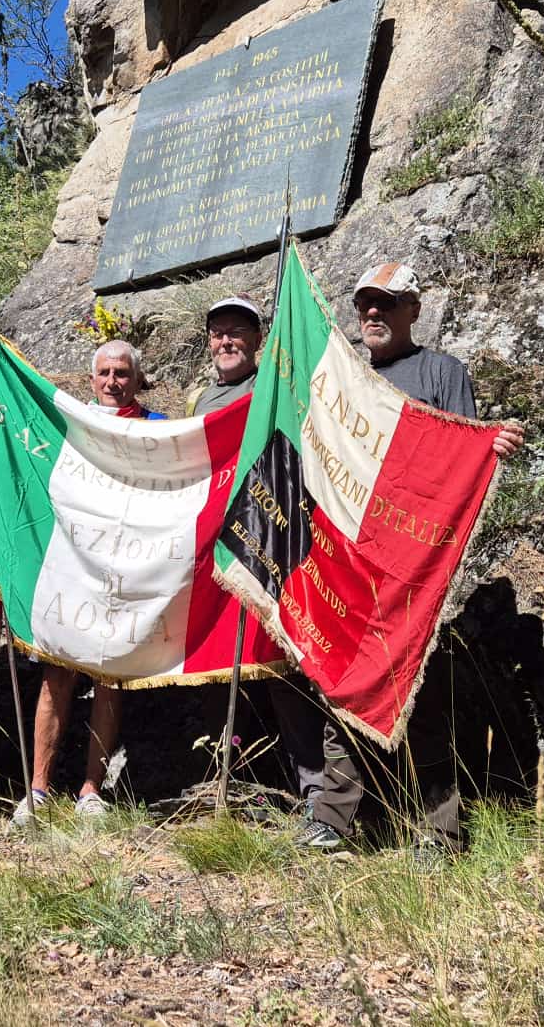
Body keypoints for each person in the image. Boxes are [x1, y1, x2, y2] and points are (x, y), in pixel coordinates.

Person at [295, 262, 523, 861]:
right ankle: (335, 822)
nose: (373, 314)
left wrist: (493, 445)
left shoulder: (442, 373)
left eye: (387, 304)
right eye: (366, 303)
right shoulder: (343, 380)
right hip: (351, 567)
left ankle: (439, 830)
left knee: (418, 697)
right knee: (340, 685)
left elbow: (467, 455)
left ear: (413, 310)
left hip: (417, 573)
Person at [186, 296, 329, 816]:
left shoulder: (271, 388)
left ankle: (316, 793)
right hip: (214, 556)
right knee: (217, 674)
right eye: (218, 332)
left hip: (268, 547)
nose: (227, 341)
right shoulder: (200, 402)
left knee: (279, 672)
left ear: (257, 339)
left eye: (238, 333)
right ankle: (226, 790)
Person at [11, 340, 160, 827]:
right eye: (104, 373)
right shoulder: (70, 424)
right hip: (72, 564)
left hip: (128, 569)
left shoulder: (161, 430)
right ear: (91, 379)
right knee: (57, 676)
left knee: (110, 677)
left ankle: (91, 790)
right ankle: (37, 790)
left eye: (122, 373)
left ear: (137, 379)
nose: (113, 381)